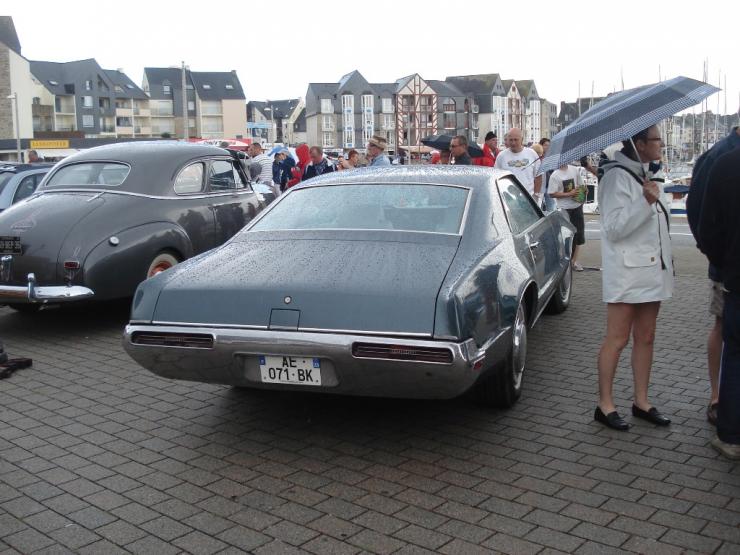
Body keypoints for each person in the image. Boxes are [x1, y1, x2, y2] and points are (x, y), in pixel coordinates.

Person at [595, 125, 673, 431]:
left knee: (646, 336)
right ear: (639, 143)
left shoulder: (647, 173)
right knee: (617, 339)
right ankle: (605, 405)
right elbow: (614, 228)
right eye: (656, 139)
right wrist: (645, 202)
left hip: (652, 269)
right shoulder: (615, 176)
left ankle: (642, 401)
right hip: (627, 271)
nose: (661, 144)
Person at [687, 125, 740, 426]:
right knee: (722, 325)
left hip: (728, 261)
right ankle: (717, 396)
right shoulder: (718, 156)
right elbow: (698, 213)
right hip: (727, 265)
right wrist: (719, 257)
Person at [697, 146, 740, 459]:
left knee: (735, 355)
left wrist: (724, 264)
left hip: (736, 279)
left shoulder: (725, 164)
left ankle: (731, 436)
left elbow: (706, 228)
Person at [548, 163, 587, 270]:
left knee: (579, 235)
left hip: (577, 206)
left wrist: (583, 192)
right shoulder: (555, 175)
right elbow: (551, 193)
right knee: (566, 236)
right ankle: (565, 260)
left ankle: (574, 261)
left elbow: (582, 186)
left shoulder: (574, 169)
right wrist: (569, 194)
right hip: (564, 208)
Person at [494, 128, 542, 202]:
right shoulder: (501, 156)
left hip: (528, 199)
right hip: (508, 199)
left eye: (516, 140)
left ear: (521, 139)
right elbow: (496, 177)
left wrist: (536, 195)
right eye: (511, 140)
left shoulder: (532, 154)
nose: (513, 143)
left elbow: (538, 176)